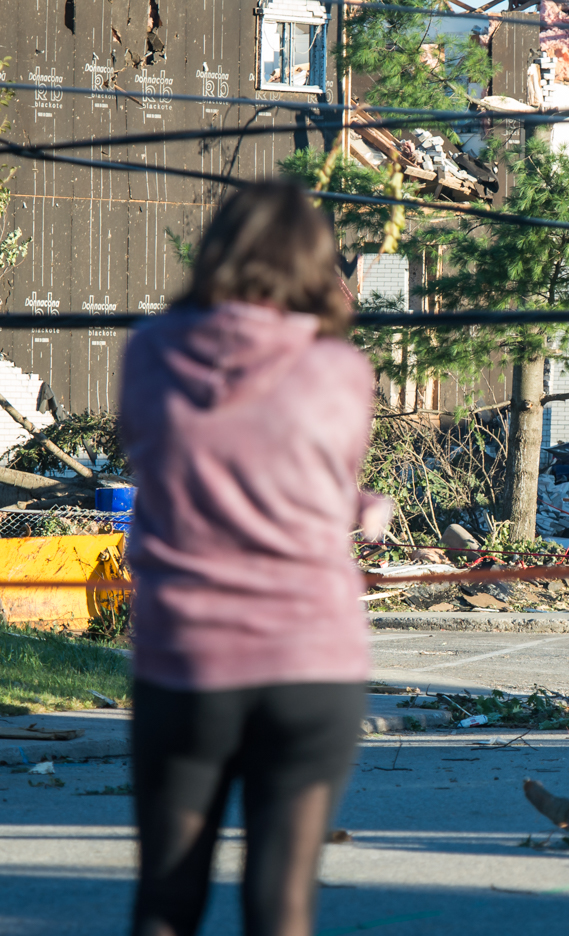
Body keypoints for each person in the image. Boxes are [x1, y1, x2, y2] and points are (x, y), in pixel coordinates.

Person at [120, 181, 390, 936]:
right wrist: (363, 508)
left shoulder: (150, 352)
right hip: (312, 660)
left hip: (186, 657)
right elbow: (315, 483)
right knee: (281, 903)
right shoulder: (338, 368)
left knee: (166, 903)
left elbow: (157, 456)